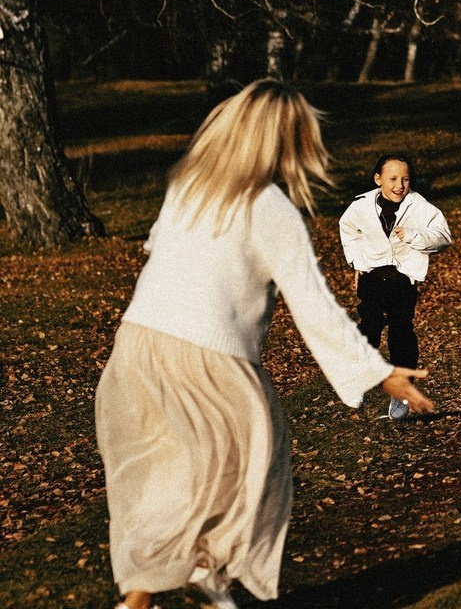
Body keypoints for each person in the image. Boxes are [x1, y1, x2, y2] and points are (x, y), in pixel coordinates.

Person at [94, 80, 434, 609]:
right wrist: (379, 372)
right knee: (251, 463)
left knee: (177, 468)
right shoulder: (268, 205)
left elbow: (159, 248)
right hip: (209, 356)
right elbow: (313, 303)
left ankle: (148, 595)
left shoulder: (189, 184)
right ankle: (210, 582)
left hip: (137, 345)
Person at [339, 153, 452, 419]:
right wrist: (357, 262)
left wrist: (413, 235)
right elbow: (348, 230)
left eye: (405, 179)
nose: (399, 185)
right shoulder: (361, 206)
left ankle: (401, 394)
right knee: (368, 327)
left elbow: (443, 237)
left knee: (401, 333)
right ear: (378, 179)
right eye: (392, 179)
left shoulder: (419, 206)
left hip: (403, 280)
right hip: (373, 279)